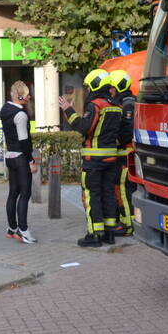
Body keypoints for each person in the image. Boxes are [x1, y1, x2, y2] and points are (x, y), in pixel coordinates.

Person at [59, 69, 122, 247]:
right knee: (108, 194)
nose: (87, 90)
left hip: (93, 160)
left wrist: (68, 109)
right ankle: (109, 234)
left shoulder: (95, 105)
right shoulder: (117, 106)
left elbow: (83, 128)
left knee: (91, 195)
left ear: (95, 85)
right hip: (111, 159)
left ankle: (94, 235)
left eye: (88, 87)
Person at [0, 81, 38, 244]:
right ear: (21, 96)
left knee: (13, 193)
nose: (29, 97)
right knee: (25, 194)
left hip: (10, 157)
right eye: (28, 95)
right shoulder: (21, 115)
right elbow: (24, 141)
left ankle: (12, 228)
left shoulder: (6, 109)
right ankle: (23, 230)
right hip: (20, 159)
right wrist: (31, 161)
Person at [107, 69, 135, 237]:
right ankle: (124, 221)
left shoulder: (128, 104)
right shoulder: (122, 103)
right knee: (120, 189)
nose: (110, 90)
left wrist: (113, 141)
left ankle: (128, 225)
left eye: (111, 87)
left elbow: (127, 132)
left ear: (118, 87)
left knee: (124, 190)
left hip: (126, 156)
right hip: (122, 155)